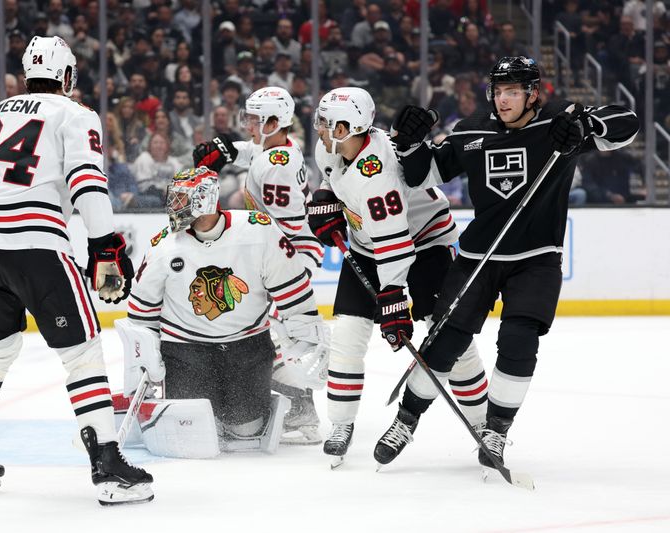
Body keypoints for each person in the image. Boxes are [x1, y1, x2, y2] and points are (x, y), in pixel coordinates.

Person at [385, 56, 639, 473]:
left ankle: (496, 430)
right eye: (498, 91)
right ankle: (405, 421)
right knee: (444, 341)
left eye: (512, 92)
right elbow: (422, 175)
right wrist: (410, 144)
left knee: (520, 341)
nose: (502, 100)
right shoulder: (471, 131)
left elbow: (627, 123)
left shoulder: (561, 125)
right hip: (477, 256)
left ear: (533, 93)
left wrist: (587, 127)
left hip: (537, 258)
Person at [0, 36, 153, 505]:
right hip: (35, 244)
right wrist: (105, 243)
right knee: (82, 352)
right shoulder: (74, 113)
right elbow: (86, 180)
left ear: (24, 74)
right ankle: (108, 465)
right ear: (68, 76)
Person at [306, 87, 488, 465]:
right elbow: (333, 179)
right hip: (368, 245)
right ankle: (341, 423)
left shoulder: (379, 173)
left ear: (346, 126)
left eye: (325, 122)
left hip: (424, 245)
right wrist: (325, 199)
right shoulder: (332, 147)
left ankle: (485, 425)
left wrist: (393, 297)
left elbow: (396, 245)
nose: (318, 127)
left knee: (448, 338)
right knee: (347, 336)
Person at [123, 166, 328, 452]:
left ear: (206, 200)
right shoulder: (164, 247)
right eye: (175, 198)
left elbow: (293, 290)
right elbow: (140, 315)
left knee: (244, 432)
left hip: (247, 346)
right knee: (196, 430)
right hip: (185, 351)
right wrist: (145, 359)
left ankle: (295, 396)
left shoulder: (259, 230)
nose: (174, 206)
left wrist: (306, 337)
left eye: (183, 199)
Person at [191, 87, 326, 445]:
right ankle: (292, 401)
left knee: (263, 328)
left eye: (254, 118)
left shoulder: (276, 167)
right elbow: (252, 151)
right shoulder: (278, 150)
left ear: (272, 122)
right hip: (286, 250)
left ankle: (299, 405)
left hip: (289, 254)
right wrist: (226, 150)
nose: (247, 123)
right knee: (260, 326)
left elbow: (275, 229)